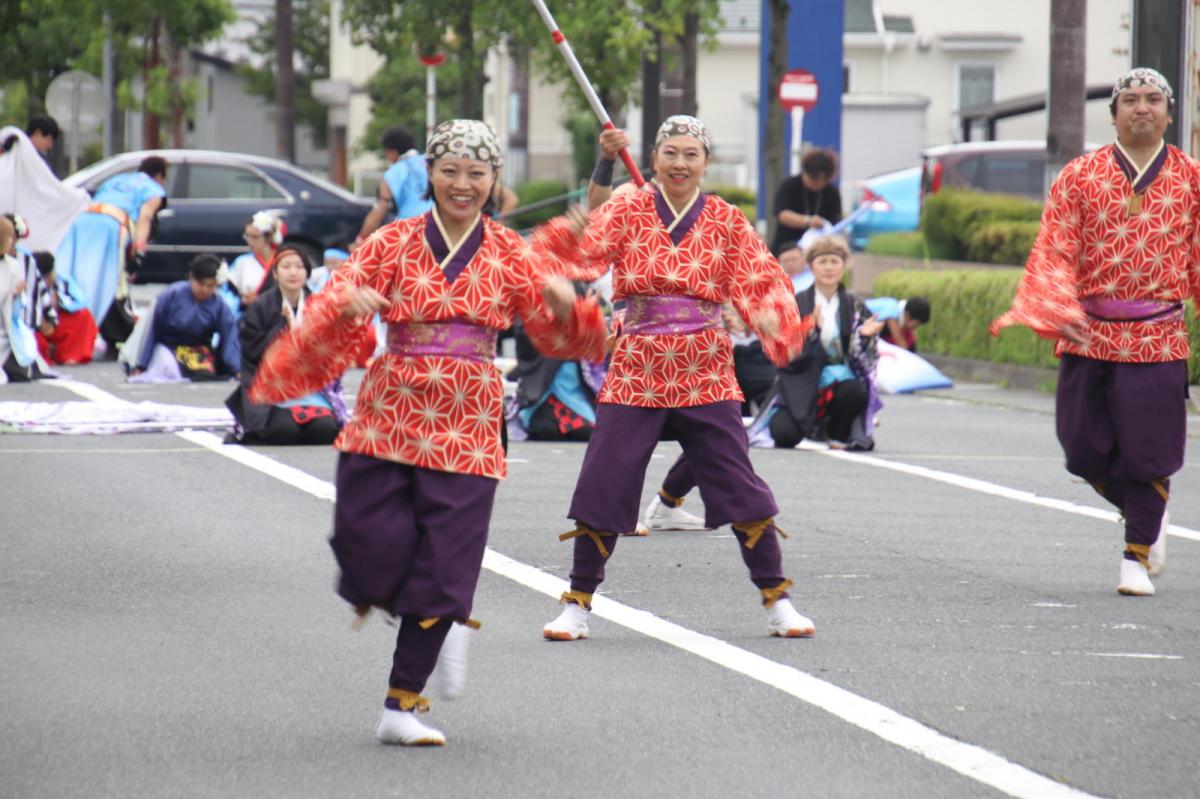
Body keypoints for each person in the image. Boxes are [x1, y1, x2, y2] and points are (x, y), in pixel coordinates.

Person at [248, 119, 607, 747]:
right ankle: (438, 614)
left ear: (494, 179)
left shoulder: (509, 251)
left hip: (469, 419)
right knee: (366, 544)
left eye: (476, 173)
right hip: (391, 411)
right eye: (450, 171)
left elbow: (565, 336)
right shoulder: (392, 241)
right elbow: (335, 300)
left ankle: (401, 702)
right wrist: (349, 304)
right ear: (430, 175)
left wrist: (562, 302)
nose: (463, 184)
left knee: (448, 561)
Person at [538, 115, 816, 643]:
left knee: (738, 480)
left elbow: (759, 279)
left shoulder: (726, 219)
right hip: (637, 362)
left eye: (691, 154)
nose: (681, 163)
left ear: (706, 163)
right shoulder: (628, 208)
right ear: (655, 159)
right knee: (604, 479)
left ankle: (777, 597)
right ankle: (577, 601)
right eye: (671, 153)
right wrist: (559, 272)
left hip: (704, 365)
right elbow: (584, 248)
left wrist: (768, 316)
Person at [991, 67, 1200, 597]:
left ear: (1169, 113)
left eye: (1153, 99)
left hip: (1158, 335)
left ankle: (1136, 554)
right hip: (1089, 330)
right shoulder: (1079, 175)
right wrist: (1057, 305)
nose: (1142, 107)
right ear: (1113, 114)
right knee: (1080, 447)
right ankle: (1148, 513)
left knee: (1148, 451)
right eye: (1130, 100)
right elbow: (1054, 247)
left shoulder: (1192, 179)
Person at [750, 236, 882, 452]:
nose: (828, 268)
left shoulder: (854, 305)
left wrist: (864, 337)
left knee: (855, 392)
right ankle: (809, 428)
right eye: (822, 262)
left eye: (834, 261)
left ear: (843, 266)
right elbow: (785, 356)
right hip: (801, 379)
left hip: (840, 379)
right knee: (784, 434)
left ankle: (835, 430)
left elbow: (866, 360)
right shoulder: (796, 302)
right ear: (811, 266)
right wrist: (809, 333)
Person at [225, 245, 347, 445]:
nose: (293, 272)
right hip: (270, 388)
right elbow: (251, 351)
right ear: (275, 273)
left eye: (299, 267)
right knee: (282, 431)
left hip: (309, 388)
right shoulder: (260, 306)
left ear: (307, 273)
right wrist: (281, 331)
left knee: (324, 430)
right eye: (286, 266)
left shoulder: (319, 305)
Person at [55, 156, 168, 348]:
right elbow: (145, 217)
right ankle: (97, 333)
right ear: (159, 176)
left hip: (82, 221)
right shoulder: (153, 189)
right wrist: (139, 252)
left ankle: (66, 327)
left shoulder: (117, 179)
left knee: (76, 278)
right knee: (108, 282)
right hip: (111, 226)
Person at [129, 254, 239, 382]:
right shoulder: (171, 295)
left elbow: (229, 336)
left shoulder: (219, 305)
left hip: (198, 351)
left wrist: (236, 369)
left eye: (210, 286)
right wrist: (141, 364)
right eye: (201, 284)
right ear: (191, 277)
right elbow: (151, 329)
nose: (204, 290)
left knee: (205, 374)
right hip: (167, 347)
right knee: (167, 367)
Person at [355, 126, 432, 243]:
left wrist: (360, 239)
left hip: (410, 231)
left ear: (393, 151)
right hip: (437, 225)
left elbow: (378, 212)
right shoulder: (430, 164)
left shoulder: (391, 174)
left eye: (386, 152)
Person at [27, 251, 97, 365]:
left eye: (49, 275)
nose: (48, 279)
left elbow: (81, 301)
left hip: (59, 320)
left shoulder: (63, 281)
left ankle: (71, 354)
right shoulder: (30, 282)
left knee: (84, 315)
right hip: (37, 323)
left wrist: (61, 303)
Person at [772, 148, 842, 251]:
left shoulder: (832, 192)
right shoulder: (789, 185)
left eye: (823, 181)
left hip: (818, 248)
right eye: (814, 180)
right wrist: (807, 221)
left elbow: (836, 221)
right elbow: (782, 214)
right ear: (805, 172)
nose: (819, 184)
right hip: (787, 245)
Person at [221, 211, 284, 317]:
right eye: (247, 236)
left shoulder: (283, 261)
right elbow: (227, 293)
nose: (250, 242)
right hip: (249, 317)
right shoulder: (242, 262)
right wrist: (241, 300)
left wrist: (259, 300)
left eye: (255, 237)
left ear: (268, 238)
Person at [864, 295, 930, 352]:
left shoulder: (897, 308)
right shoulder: (892, 312)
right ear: (909, 316)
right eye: (916, 325)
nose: (915, 328)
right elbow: (898, 338)